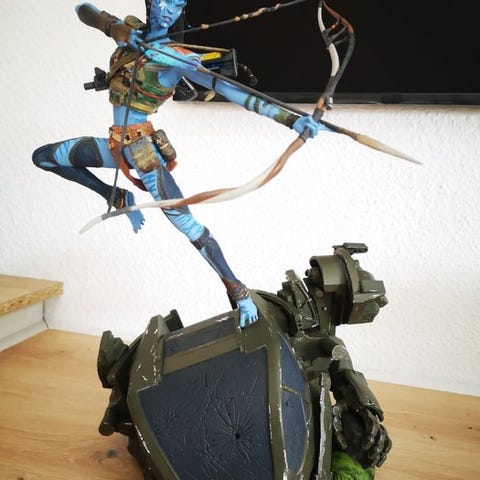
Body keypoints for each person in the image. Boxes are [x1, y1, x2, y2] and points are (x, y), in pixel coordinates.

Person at [32, 0, 326, 328]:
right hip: (115, 146)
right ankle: (115, 195)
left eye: (175, 3)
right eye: (162, 1)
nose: (167, 8)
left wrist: (293, 120)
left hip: (142, 152)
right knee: (44, 157)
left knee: (189, 227)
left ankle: (239, 291)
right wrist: (115, 28)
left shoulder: (178, 59)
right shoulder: (130, 32)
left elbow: (236, 93)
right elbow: (83, 10)